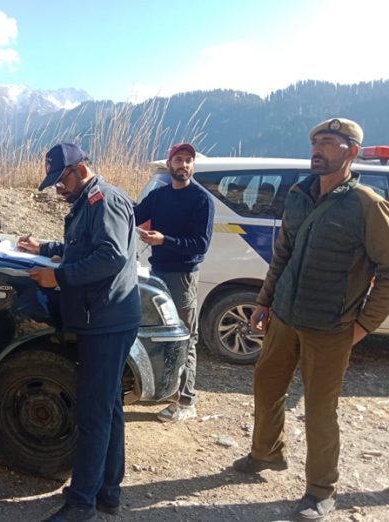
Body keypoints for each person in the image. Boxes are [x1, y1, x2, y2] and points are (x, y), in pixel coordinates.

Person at [232, 118, 389, 521]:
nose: (317, 149)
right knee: (266, 386)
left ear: (351, 152)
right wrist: (264, 303)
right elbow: (281, 253)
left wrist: (363, 326)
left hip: (332, 327)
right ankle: (266, 454)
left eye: (329, 143)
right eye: (316, 142)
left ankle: (321, 490)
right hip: (284, 315)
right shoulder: (300, 193)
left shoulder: (366, 205)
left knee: (320, 410)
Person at [17, 143, 141, 522]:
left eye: (61, 180)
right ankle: (107, 491)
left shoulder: (104, 200)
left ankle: (81, 503)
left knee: (93, 413)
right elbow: (83, 246)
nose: (58, 188)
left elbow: (111, 256)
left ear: (80, 170)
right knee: (108, 409)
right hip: (101, 318)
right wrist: (49, 249)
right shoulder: (89, 202)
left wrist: (59, 276)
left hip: (106, 321)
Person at [134, 143, 214, 422]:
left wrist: (164, 240)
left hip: (182, 276)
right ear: (169, 164)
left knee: (185, 337)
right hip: (157, 271)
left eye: (189, 160)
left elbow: (200, 245)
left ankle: (186, 400)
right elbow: (134, 214)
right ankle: (168, 388)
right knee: (162, 332)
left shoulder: (202, 200)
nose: (184, 165)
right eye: (179, 159)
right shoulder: (159, 196)